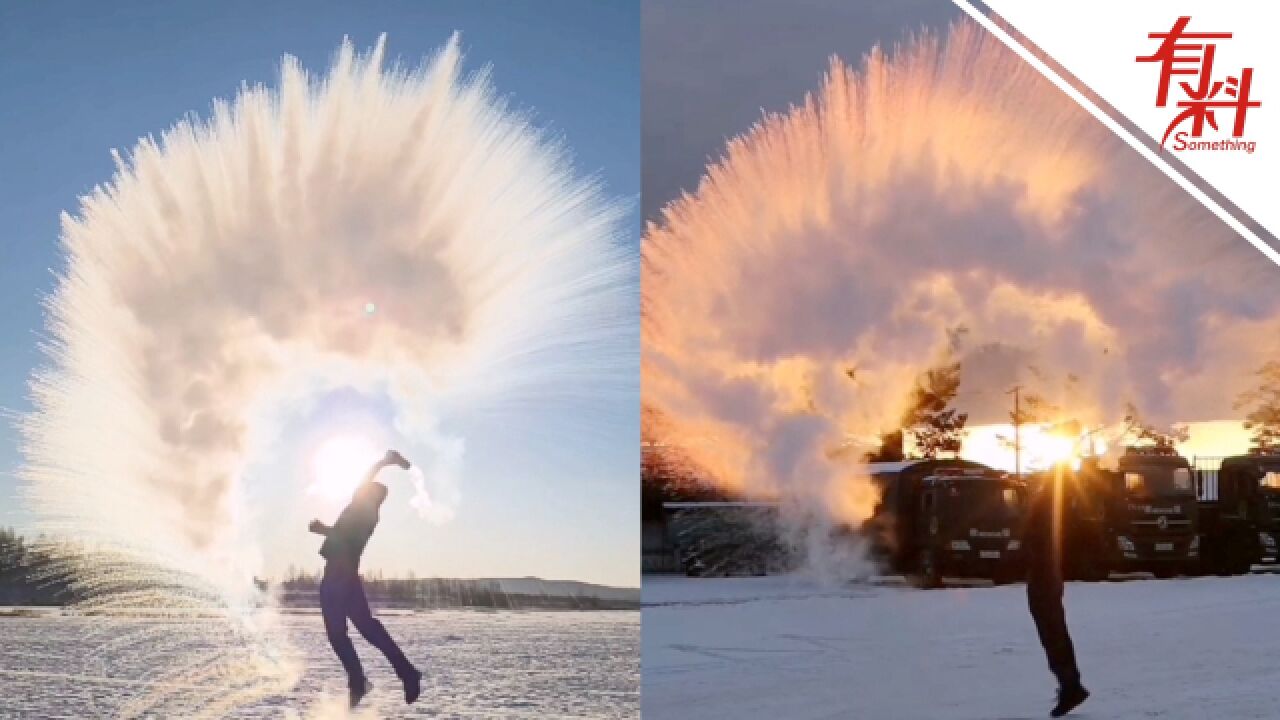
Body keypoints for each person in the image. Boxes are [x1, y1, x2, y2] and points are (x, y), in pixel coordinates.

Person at [309, 449, 422, 708]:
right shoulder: (361, 507)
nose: (362, 488)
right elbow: (365, 477)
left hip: (339, 575)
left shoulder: (366, 515)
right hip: (344, 575)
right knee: (366, 628)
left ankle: (361, 681)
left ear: (372, 496)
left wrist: (321, 530)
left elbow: (346, 540)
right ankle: (401, 673)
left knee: (340, 634)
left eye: (367, 489)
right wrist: (386, 461)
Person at [1023, 468, 1089, 718]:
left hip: (1044, 571)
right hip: (1046, 570)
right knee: (1052, 627)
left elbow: (1039, 535)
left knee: (1051, 628)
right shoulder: (1057, 502)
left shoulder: (1052, 502)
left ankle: (1070, 684)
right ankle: (1069, 682)